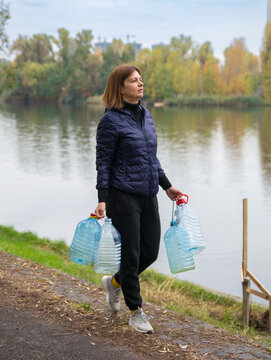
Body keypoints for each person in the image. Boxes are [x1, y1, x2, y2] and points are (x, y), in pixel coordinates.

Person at [95, 65, 183, 334]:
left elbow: (150, 157)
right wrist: (102, 199)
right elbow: (103, 163)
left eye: (140, 79)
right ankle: (135, 311)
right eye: (133, 81)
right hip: (122, 196)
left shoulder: (146, 115)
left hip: (148, 194)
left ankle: (116, 283)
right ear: (120, 88)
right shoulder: (110, 122)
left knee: (150, 252)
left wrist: (166, 186)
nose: (140, 84)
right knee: (132, 255)